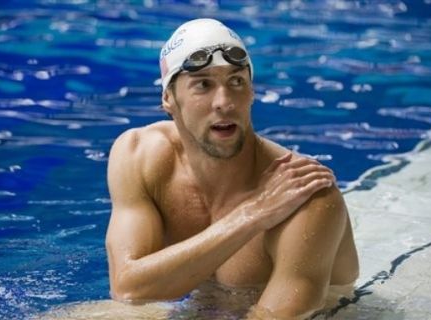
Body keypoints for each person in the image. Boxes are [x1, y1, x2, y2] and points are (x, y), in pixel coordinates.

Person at [105, 18, 359, 319]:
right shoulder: (141, 155)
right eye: (203, 85)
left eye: (236, 81)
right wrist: (252, 214)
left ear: (251, 92)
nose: (224, 102)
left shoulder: (305, 194)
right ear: (168, 99)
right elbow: (129, 290)